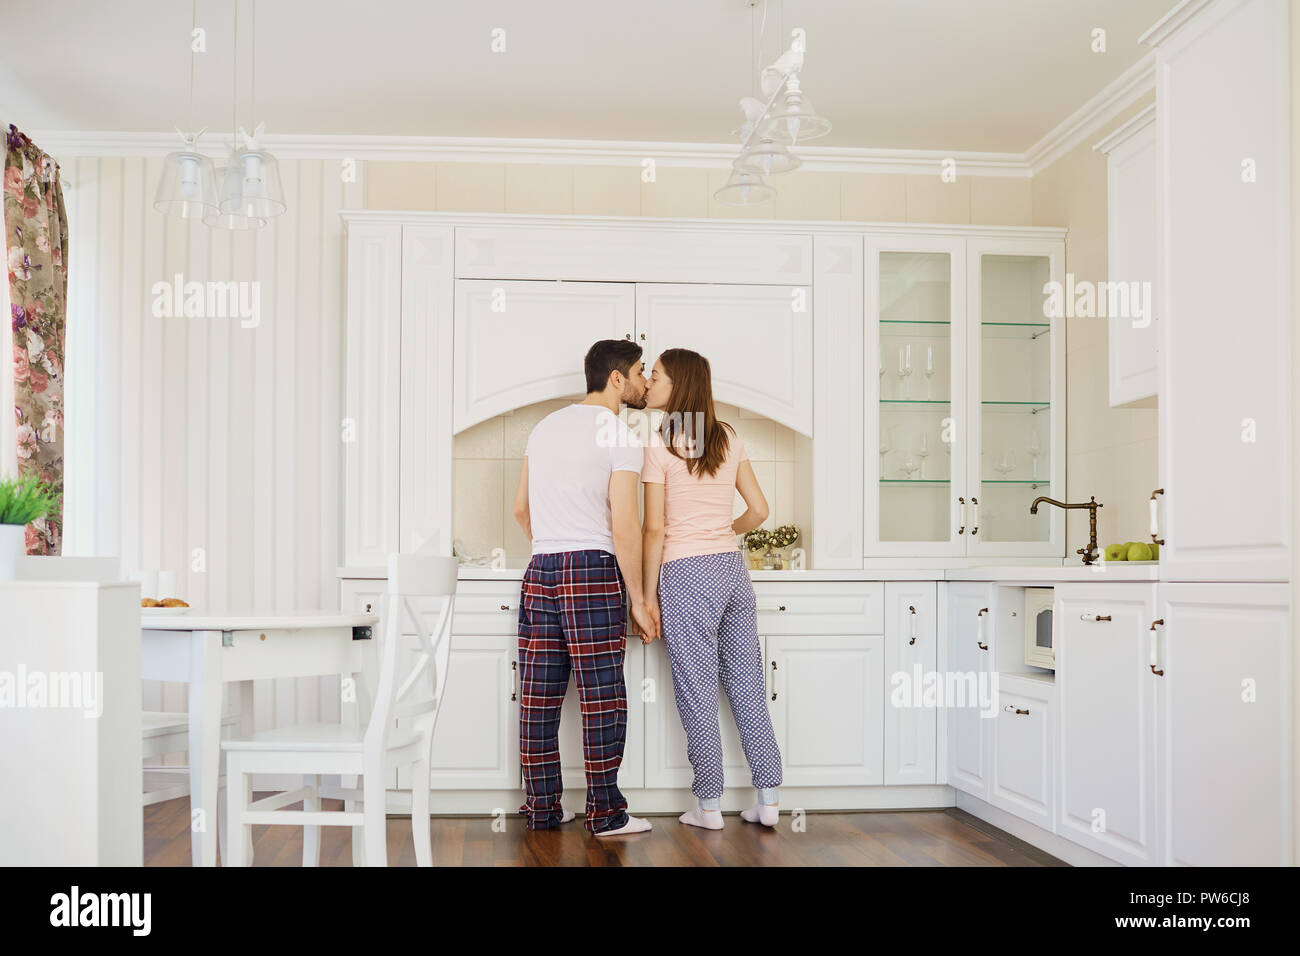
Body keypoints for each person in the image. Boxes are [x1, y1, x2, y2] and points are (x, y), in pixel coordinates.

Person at [511, 339, 658, 836]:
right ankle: (606, 814)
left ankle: (543, 810)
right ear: (616, 378)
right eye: (640, 372)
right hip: (593, 569)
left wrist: (553, 545)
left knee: (538, 698)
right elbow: (625, 526)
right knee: (601, 696)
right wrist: (639, 599)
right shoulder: (619, 435)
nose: (643, 382)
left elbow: (520, 511)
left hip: (540, 568)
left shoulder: (544, 427)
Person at [640, 348, 783, 830]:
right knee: (747, 684)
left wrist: (644, 592)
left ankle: (708, 805)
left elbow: (654, 530)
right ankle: (768, 800)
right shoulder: (729, 437)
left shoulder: (660, 446)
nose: (649, 383)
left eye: (656, 376)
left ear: (678, 385)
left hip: (685, 573)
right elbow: (760, 511)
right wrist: (724, 533)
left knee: (696, 689)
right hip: (731, 571)